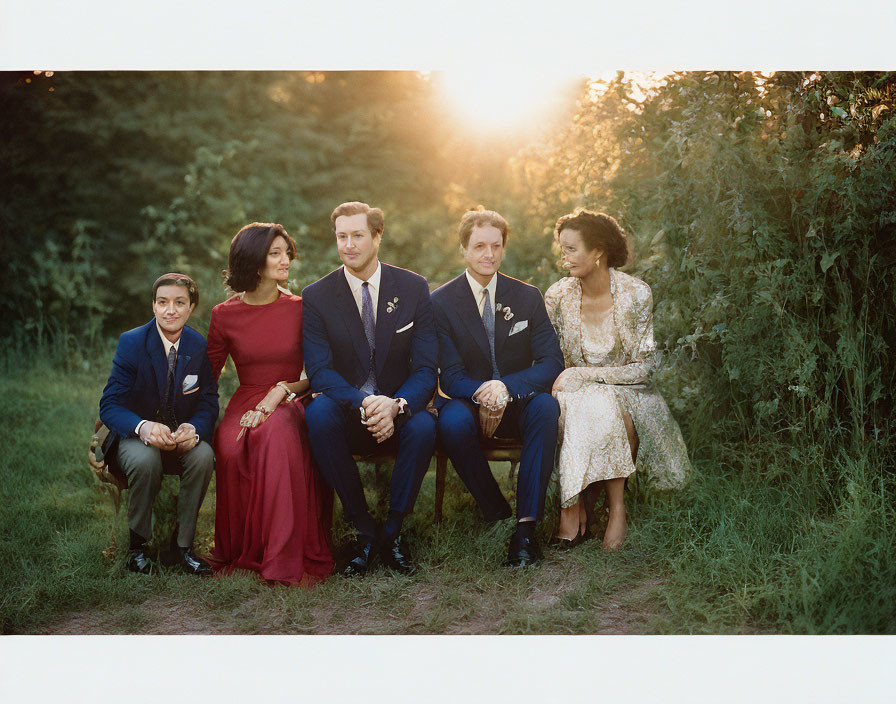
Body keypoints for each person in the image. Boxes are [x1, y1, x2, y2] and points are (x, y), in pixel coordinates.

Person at [303, 201, 438, 577]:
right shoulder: (317, 295)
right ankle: (362, 527)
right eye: (341, 236)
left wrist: (396, 406)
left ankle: (392, 532)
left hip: (399, 411)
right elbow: (319, 370)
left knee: (426, 425)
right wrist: (365, 402)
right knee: (317, 413)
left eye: (357, 235)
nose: (349, 244)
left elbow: (426, 367)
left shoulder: (412, 287)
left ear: (377, 237)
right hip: (348, 412)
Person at [545, 208, 691, 550]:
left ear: (598, 251)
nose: (564, 258)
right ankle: (578, 507)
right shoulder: (557, 296)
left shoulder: (637, 294)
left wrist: (584, 373)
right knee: (589, 404)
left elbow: (645, 365)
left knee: (607, 406)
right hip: (572, 395)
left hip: (629, 390)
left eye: (571, 249)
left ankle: (604, 510)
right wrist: (572, 379)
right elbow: (551, 358)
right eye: (561, 249)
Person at [431, 208, 564, 567]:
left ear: (503, 247)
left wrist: (504, 388)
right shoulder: (440, 303)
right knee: (452, 423)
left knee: (547, 407)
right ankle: (495, 509)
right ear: (464, 249)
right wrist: (484, 394)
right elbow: (451, 376)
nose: (488, 255)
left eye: (495, 245)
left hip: (517, 399)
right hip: (467, 400)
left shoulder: (527, 297)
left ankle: (525, 529)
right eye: (479, 246)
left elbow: (552, 363)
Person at [206, 223, 334, 586]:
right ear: (254, 262)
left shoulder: (302, 308)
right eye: (275, 253)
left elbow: (321, 372)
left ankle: (283, 558)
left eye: (286, 252)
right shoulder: (223, 315)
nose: (286, 260)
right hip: (245, 398)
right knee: (231, 447)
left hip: (292, 396)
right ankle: (246, 549)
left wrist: (282, 390)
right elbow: (207, 379)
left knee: (276, 432)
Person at [99, 273, 218, 575]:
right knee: (146, 458)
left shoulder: (198, 345)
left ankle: (183, 548)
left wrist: (196, 429)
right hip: (134, 437)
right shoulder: (132, 342)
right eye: (163, 302)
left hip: (179, 436)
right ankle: (138, 547)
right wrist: (144, 427)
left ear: (191, 308)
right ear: (153, 306)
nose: (170, 310)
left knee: (203, 455)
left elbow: (208, 400)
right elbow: (110, 404)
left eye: (180, 303)